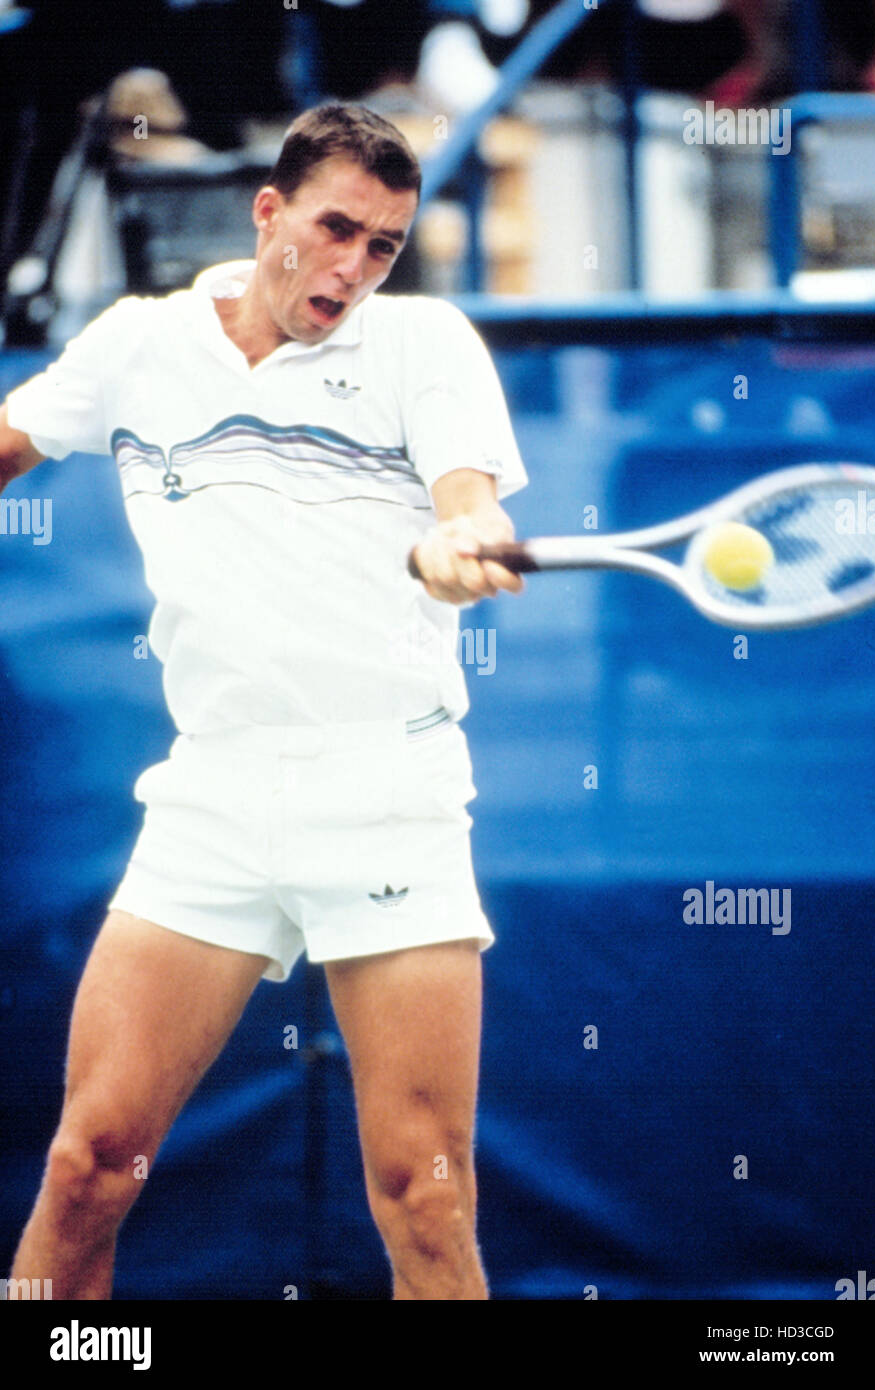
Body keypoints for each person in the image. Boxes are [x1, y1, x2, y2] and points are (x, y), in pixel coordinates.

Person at [0, 103, 527, 1301]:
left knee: (426, 1197)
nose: (353, 266)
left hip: (385, 791)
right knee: (90, 1166)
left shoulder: (424, 345)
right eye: (336, 228)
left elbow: (464, 500)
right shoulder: (139, 344)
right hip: (214, 794)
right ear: (268, 211)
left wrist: (461, 537)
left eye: (384, 244)